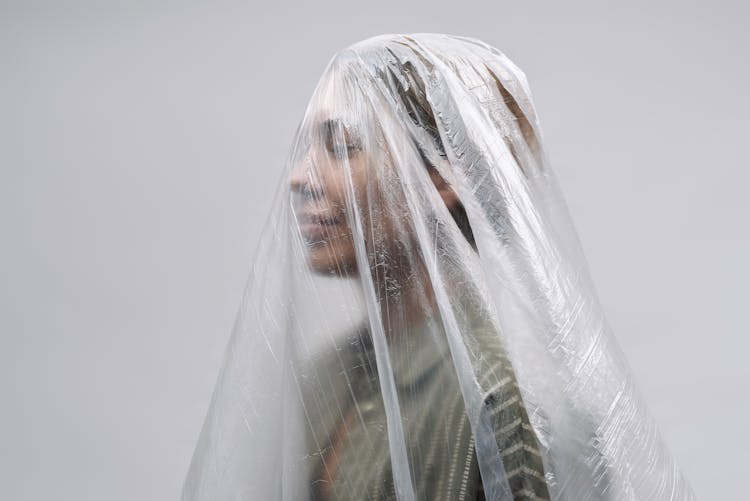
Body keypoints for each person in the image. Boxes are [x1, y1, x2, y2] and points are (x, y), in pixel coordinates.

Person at [182, 34, 696, 501]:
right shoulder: (326, 374)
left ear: (444, 176)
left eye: (341, 146)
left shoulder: (504, 403)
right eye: (304, 146)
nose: (299, 177)